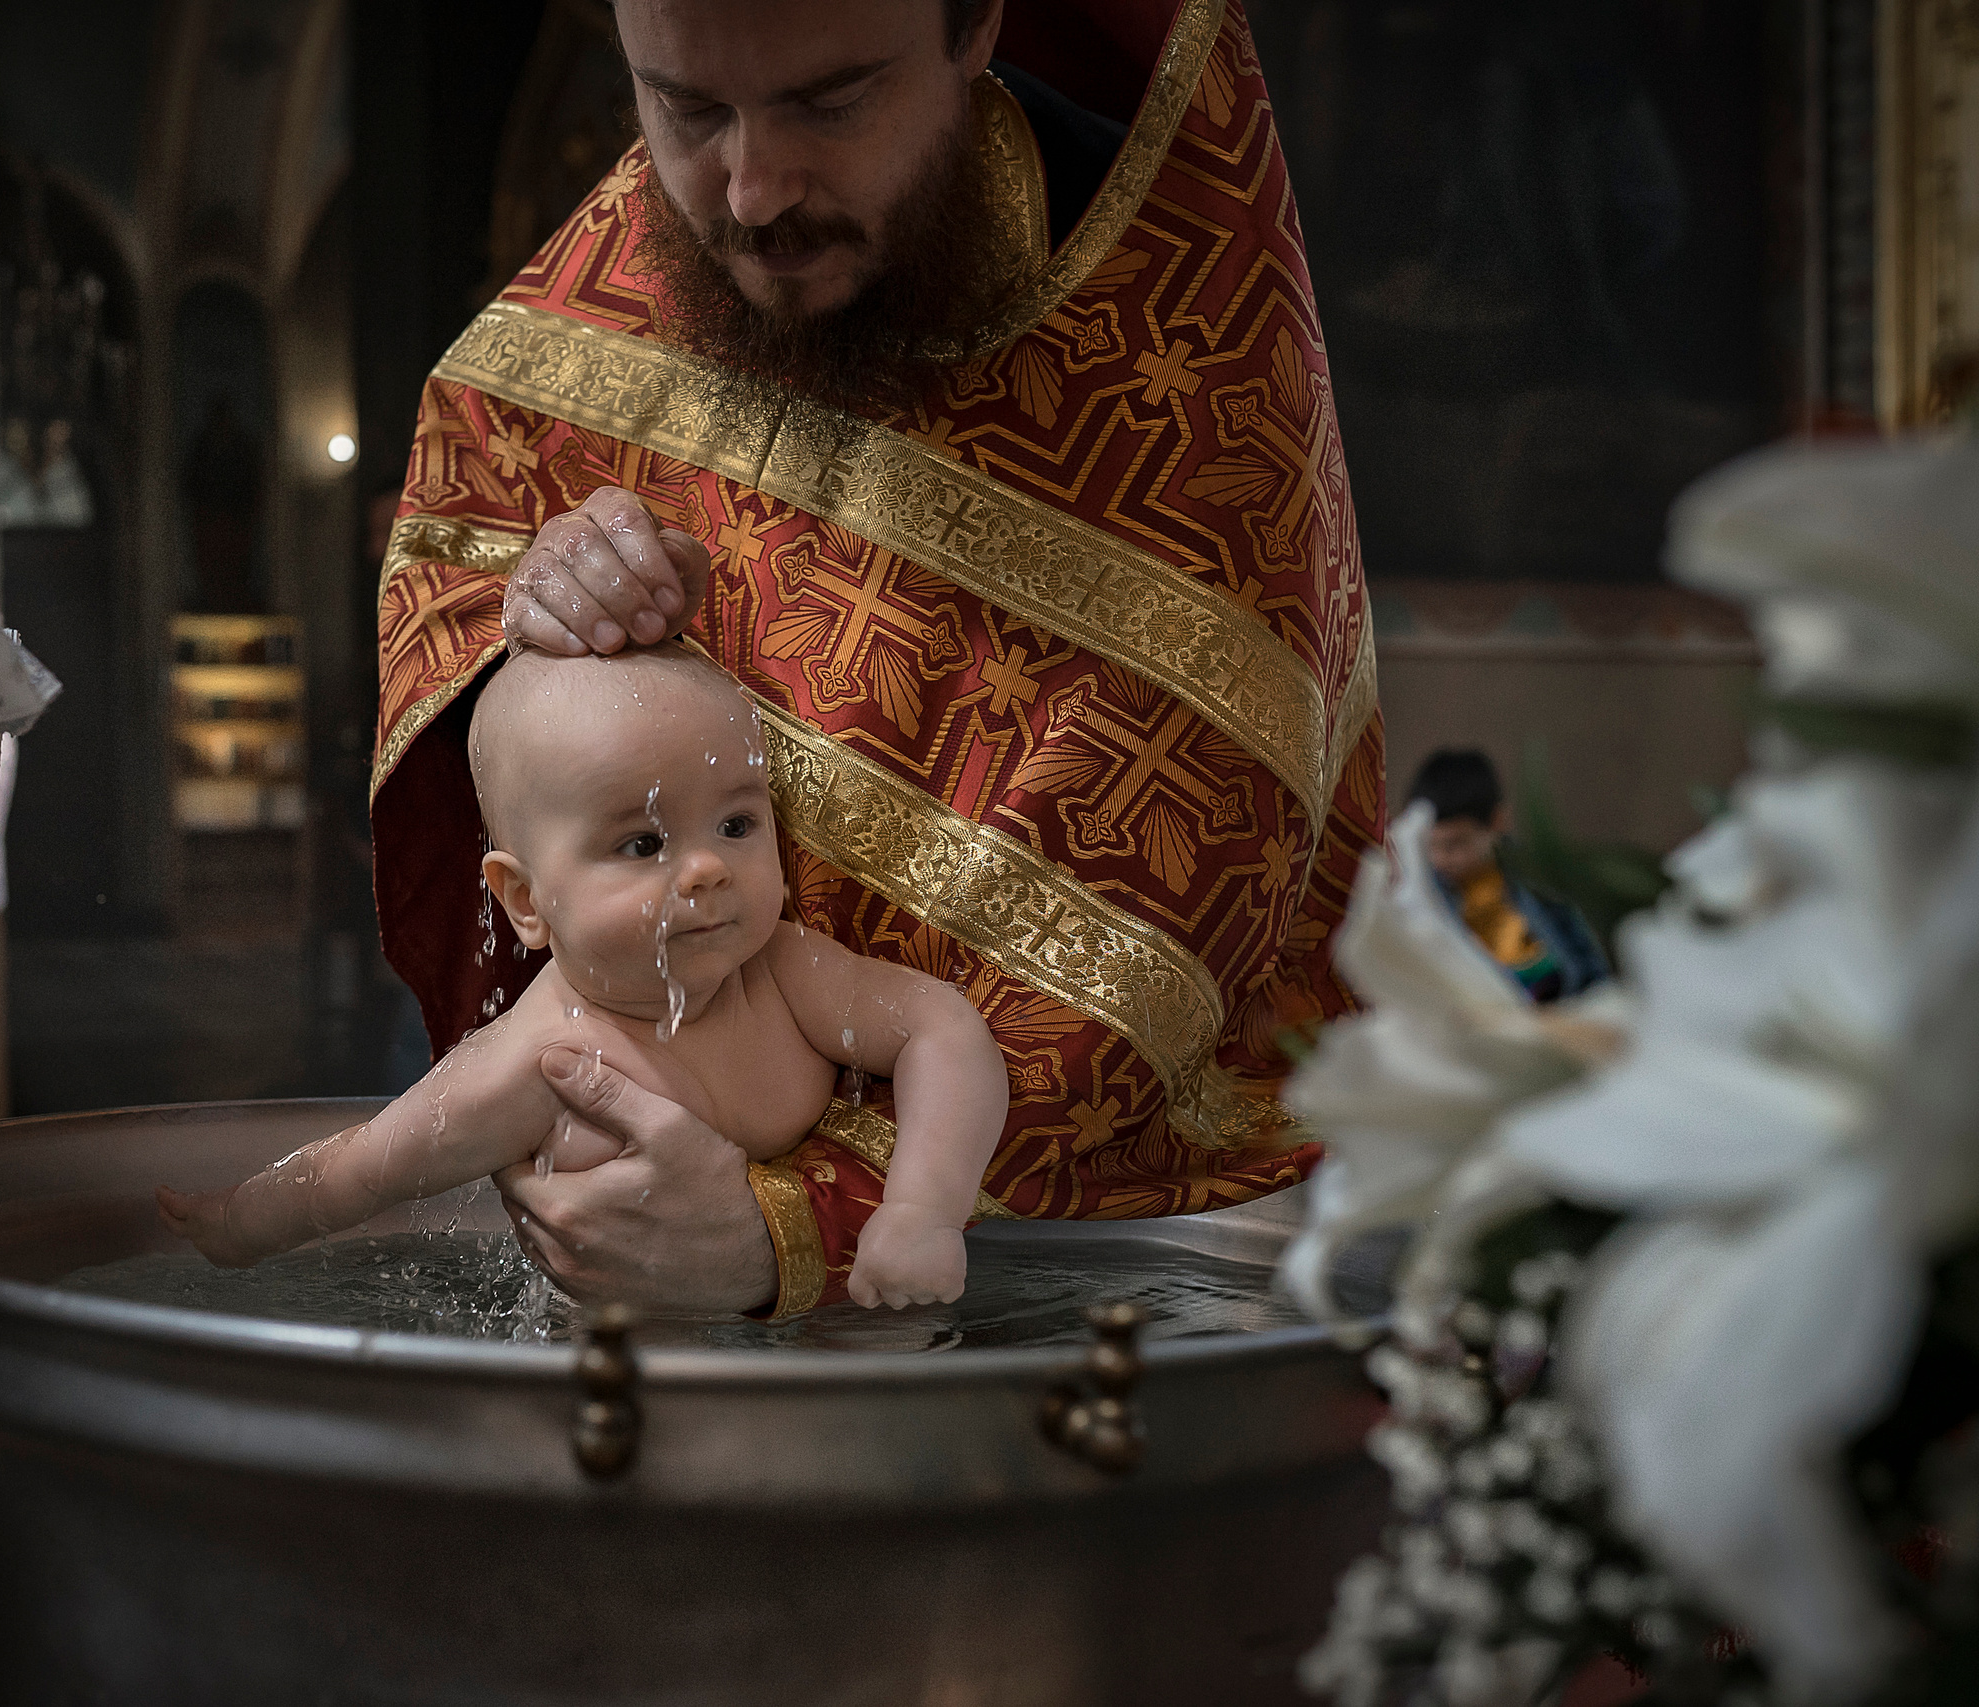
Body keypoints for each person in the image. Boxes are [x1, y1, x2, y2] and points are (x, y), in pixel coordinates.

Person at [370, 0, 1383, 1317]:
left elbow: (1194, 849)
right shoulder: (648, 238)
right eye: (686, 108)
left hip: (1087, 1259)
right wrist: (548, 622)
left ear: (975, 28)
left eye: (830, 103)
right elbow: (481, 516)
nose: (751, 191)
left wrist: (806, 1220)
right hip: (629, 1172)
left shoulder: (1183, 350)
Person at [162, 645, 1006, 1306]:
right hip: (625, 1385)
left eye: (738, 823)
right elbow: (357, 1172)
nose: (709, 867)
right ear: (526, 900)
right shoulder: (534, 1064)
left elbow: (942, 1030)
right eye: (644, 843)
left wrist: (920, 1212)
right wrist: (238, 1222)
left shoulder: (783, 970)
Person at [1406, 748, 1608, 1004]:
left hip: (1563, 1005)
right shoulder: (1424, 896)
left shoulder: (1536, 876)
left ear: (1497, 821)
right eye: (1431, 846)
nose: (1441, 858)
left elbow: (1588, 960)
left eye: (1456, 844)